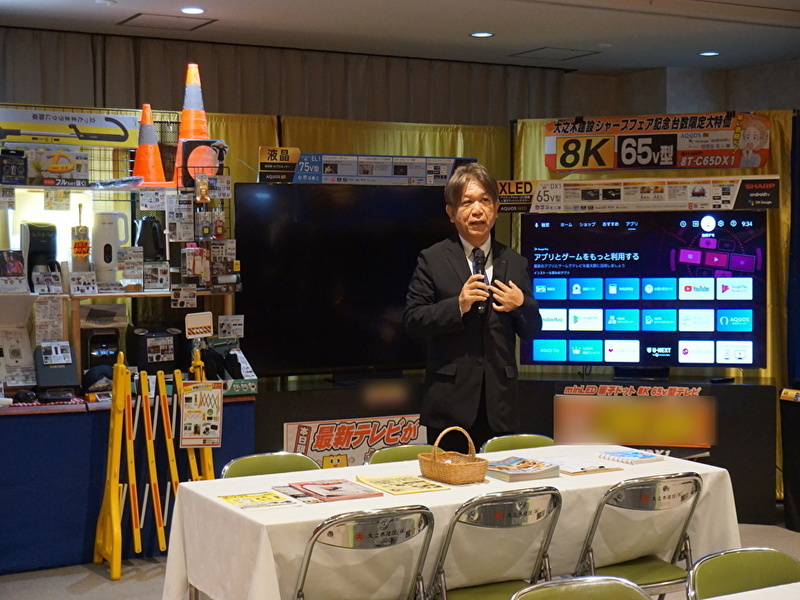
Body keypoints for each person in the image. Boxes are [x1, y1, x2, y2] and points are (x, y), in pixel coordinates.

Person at [404, 162, 542, 453]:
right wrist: (458, 305)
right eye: (467, 202)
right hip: (449, 406)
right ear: (451, 213)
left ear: (496, 208)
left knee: (498, 480)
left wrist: (520, 305)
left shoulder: (515, 262)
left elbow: (533, 330)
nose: (477, 210)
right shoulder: (432, 259)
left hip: (500, 406)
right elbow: (413, 320)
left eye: (485, 201)